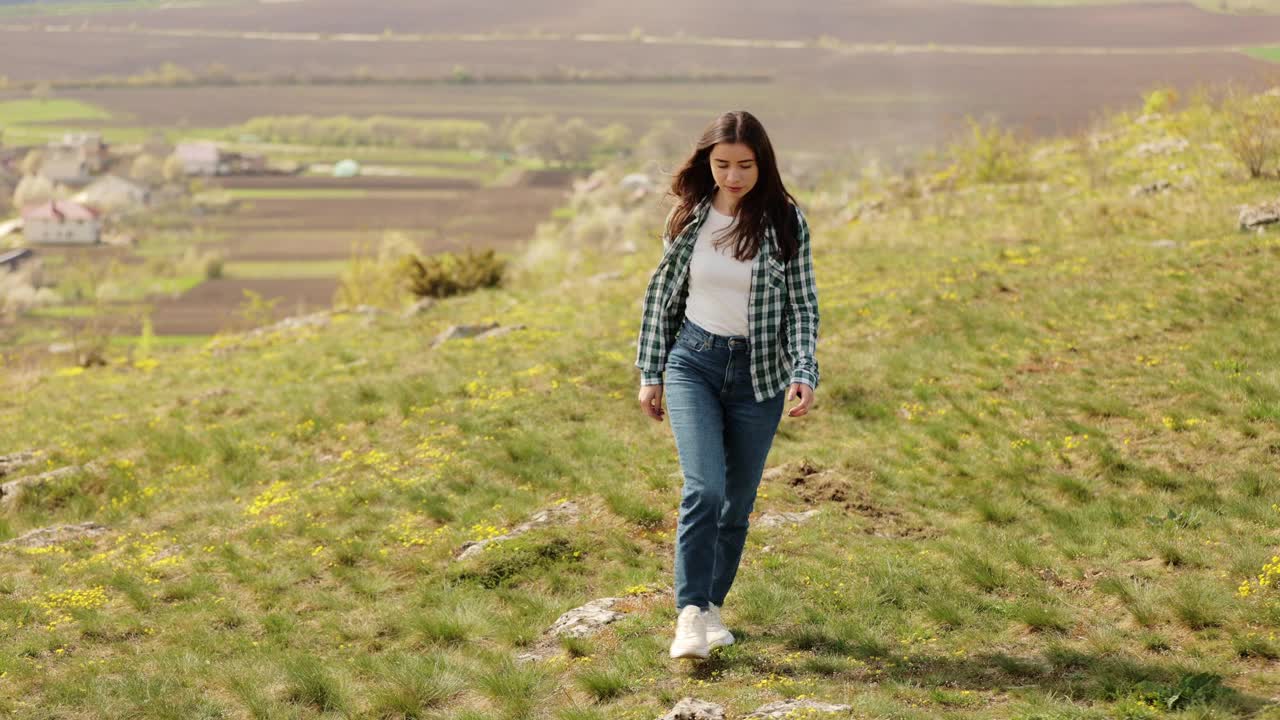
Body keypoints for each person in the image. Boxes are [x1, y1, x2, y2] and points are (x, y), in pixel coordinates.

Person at [635, 110, 820, 660]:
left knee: (736, 504)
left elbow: (803, 304)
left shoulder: (786, 221)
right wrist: (651, 373)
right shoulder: (688, 216)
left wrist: (804, 370)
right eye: (722, 165)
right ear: (706, 163)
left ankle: (713, 606)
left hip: (759, 377)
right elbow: (660, 297)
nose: (733, 176)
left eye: (744, 165)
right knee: (705, 489)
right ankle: (689, 613)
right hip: (692, 362)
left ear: (762, 163)